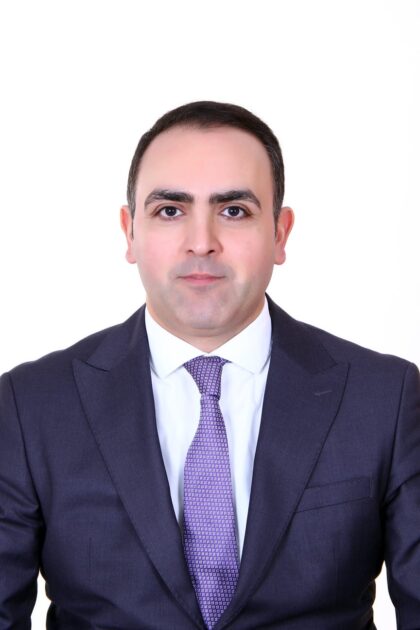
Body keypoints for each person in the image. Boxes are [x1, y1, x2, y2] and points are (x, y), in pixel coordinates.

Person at [0, 101, 419, 630]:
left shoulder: (385, 398)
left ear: (280, 233)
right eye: (170, 211)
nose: (202, 243)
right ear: (130, 232)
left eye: (234, 210)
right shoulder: (30, 406)